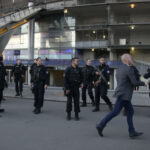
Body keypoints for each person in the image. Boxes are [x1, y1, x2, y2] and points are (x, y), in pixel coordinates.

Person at [96, 54, 146, 138]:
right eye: (130, 58)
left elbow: (123, 80)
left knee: (130, 111)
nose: (131, 59)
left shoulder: (120, 68)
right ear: (127, 60)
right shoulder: (129, 69)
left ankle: (132, 131)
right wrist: (144, 83)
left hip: (122, 92)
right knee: (115, 112)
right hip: (124, 94)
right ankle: (101, 125)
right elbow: (134, 82)